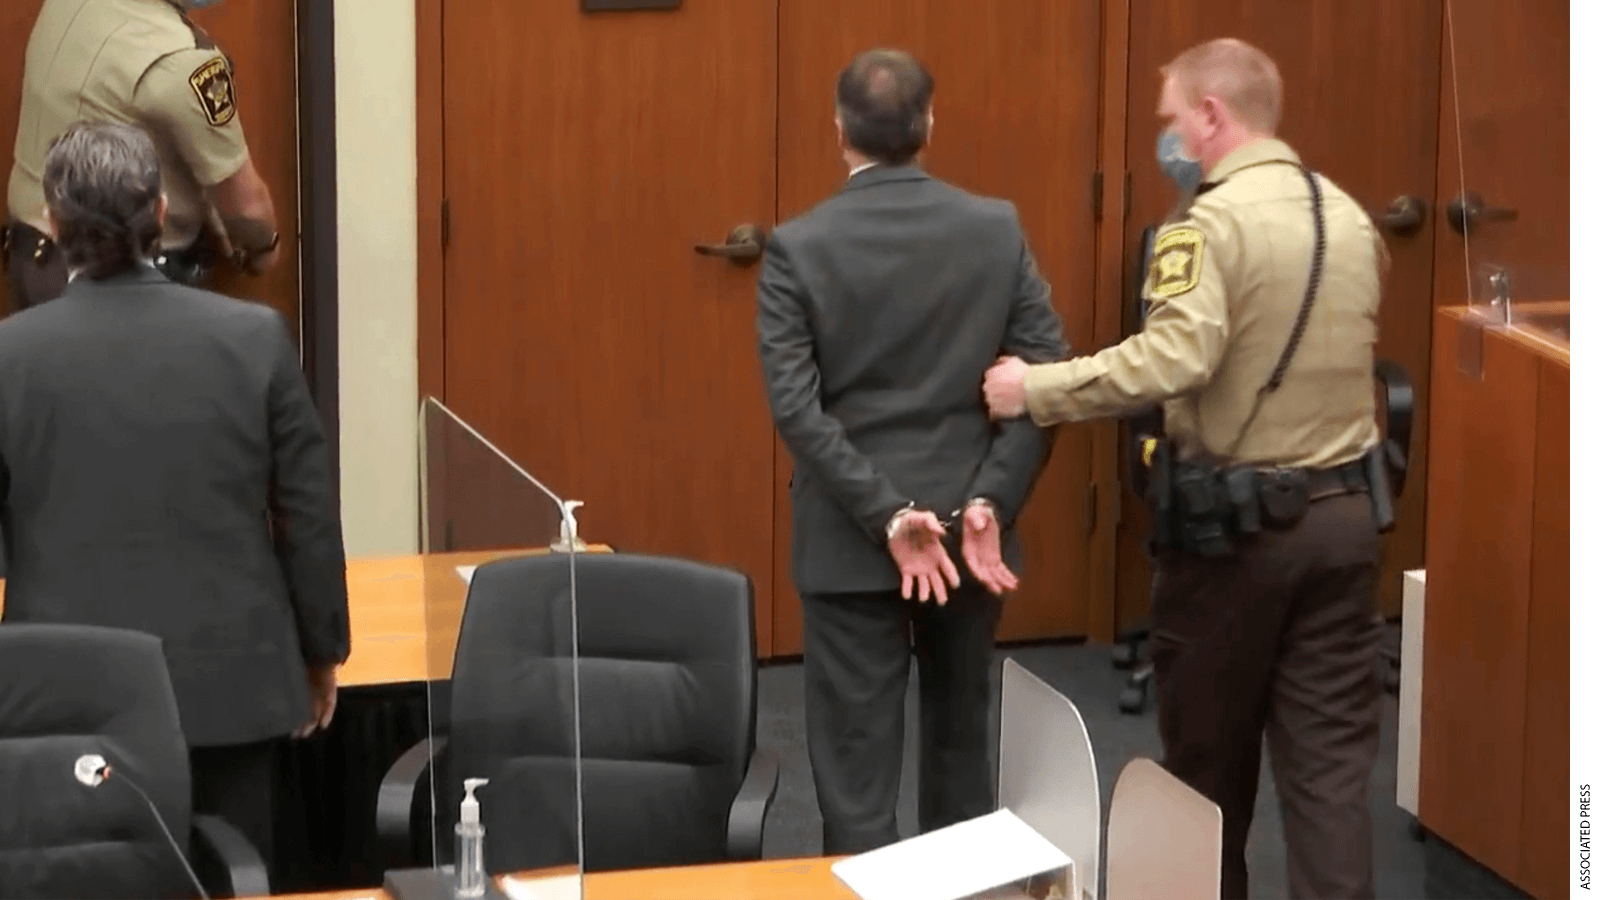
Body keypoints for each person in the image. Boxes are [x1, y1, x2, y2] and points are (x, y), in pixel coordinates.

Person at [983, 38, 1390, 900]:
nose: (1166, 139)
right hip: (1346, 522)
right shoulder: (1347, 216)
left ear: (1212, 116)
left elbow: (1174, 361)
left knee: (1205, 770)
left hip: (1236, 538)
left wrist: (1037, 388)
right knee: (1329, 778)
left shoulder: (1206, 225)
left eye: (1171, 119)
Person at [0, 121, 346, 881]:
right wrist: (322, 651)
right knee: (236, 877)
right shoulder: (255, 338)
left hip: (65, 701)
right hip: (233, 693)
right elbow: (307, 511)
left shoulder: (9, 357)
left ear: (54, 225)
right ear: (159, 212)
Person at [757, 48, 1069, 854]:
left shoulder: (798, 246)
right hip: (971, 545)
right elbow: (1043, 383)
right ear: (931, 124)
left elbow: (797, 407)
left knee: (856, 778)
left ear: (839, 132)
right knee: (961, 753)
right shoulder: (994, 228)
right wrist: (989, 501)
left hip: (849, 547)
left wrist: (887, 512)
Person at [4, 0, 279, 315]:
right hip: (124, 290)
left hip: (35, 259)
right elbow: (247, 208)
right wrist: (261, 251)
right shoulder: (179, 61)